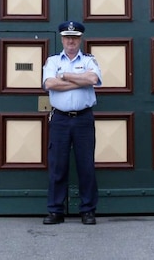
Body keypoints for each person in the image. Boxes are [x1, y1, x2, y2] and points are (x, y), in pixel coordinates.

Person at [41, 20, 102, 225]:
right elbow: (49, 83)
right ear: (62, 39)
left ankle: (88, 210)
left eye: (74, 38)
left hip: (83, 118)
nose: (71, 41)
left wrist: (65, 76)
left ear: (80, 39)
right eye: (67, 37)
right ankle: (55, 211)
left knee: (86, 166)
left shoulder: (89, 60)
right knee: (58, 166)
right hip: (60, 119)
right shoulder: (52, 61)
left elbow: (93, 80)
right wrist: (78, 81)